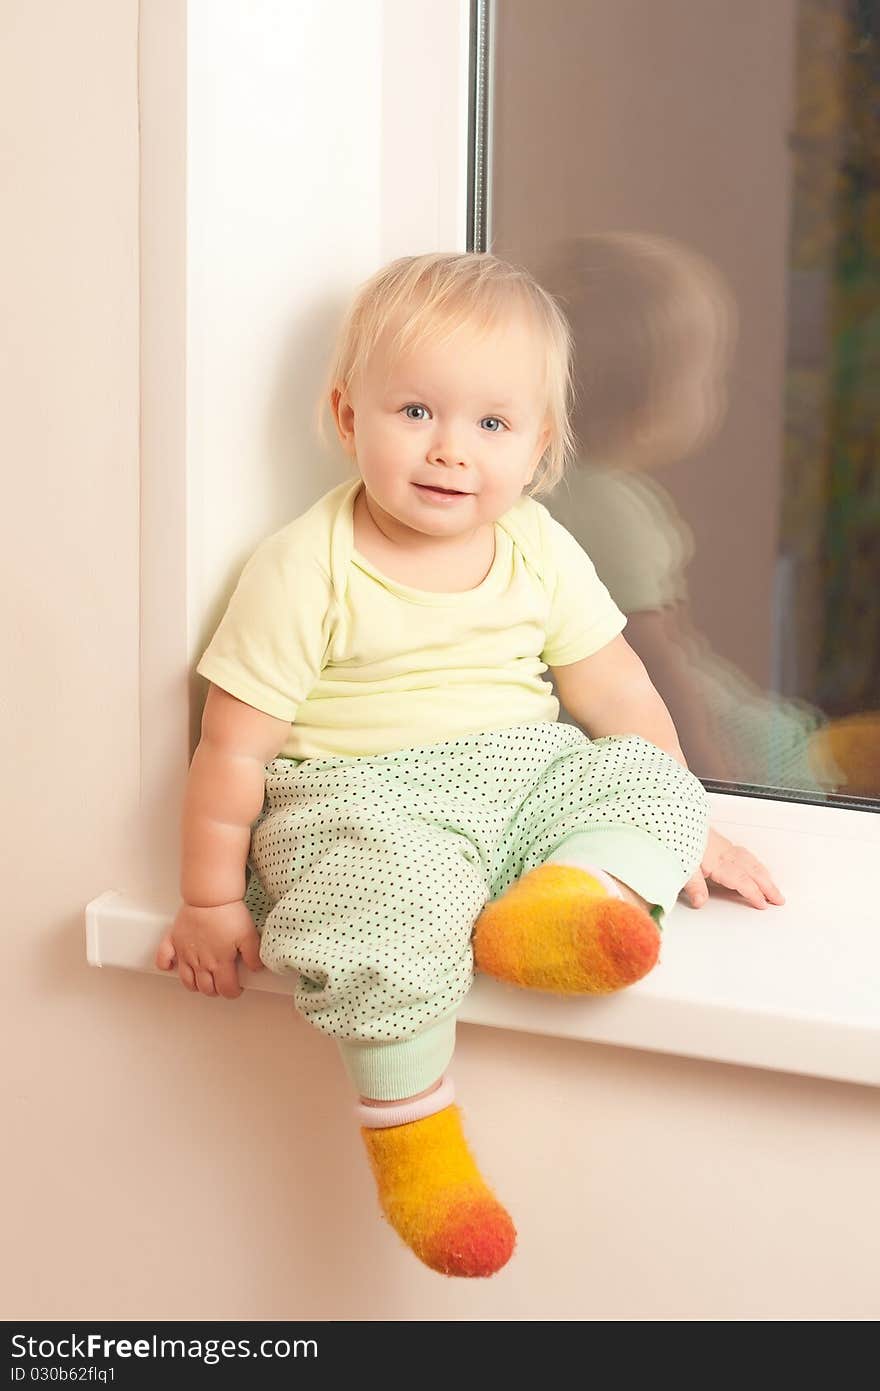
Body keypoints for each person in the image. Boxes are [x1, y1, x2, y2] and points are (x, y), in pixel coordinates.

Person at [154, 252, 783, 1280]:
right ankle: (418, 1146)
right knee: (378, 915)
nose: (451, 451)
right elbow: (232, 747)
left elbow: (619, 693)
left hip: (520, 773)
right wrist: (209, 898)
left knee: (642, 775)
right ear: (347, 415)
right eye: (415, 411)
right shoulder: (305, 565)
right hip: (362, 797)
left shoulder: (536, 544)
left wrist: (685, 818)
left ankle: (566, 903)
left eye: (492, 424)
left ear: (539, 447)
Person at [537, 231, 846, 795]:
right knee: (783, 755)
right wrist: (709, 777)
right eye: (708, 378)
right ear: (650, 403)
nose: (716, 392)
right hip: (651, 713)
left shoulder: (556, 488)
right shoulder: (613, 513)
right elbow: (655, 657)